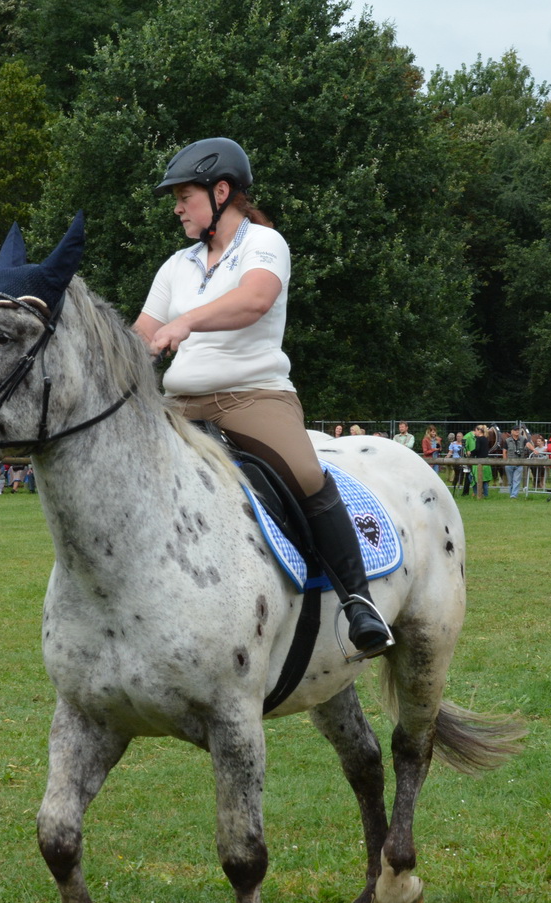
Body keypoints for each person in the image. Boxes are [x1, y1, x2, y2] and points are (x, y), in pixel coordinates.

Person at [134, 137, 390, 656]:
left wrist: (184, 322)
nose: (177, 207)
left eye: (185, 195)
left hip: (253, 398)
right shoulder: (175, 266)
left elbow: (254, 300)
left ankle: (359, 604)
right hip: (178, 407)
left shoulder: (265, 245)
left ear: (221, 191)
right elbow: (140, 338)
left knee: (304, 475)